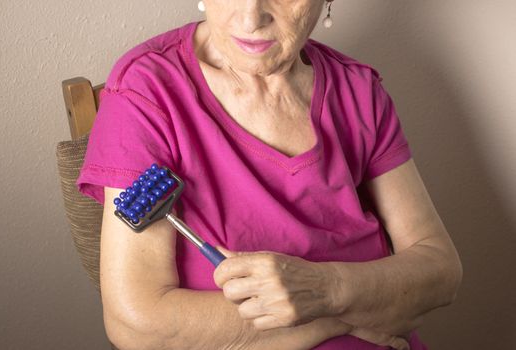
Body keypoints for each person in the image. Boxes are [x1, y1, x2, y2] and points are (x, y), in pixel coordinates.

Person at [77, 1, 463, 349]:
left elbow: (440, 269)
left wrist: (328, 290)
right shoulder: (148, 90)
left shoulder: (358, 89)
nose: (250, 17)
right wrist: (333, 316)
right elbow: (138, 325)